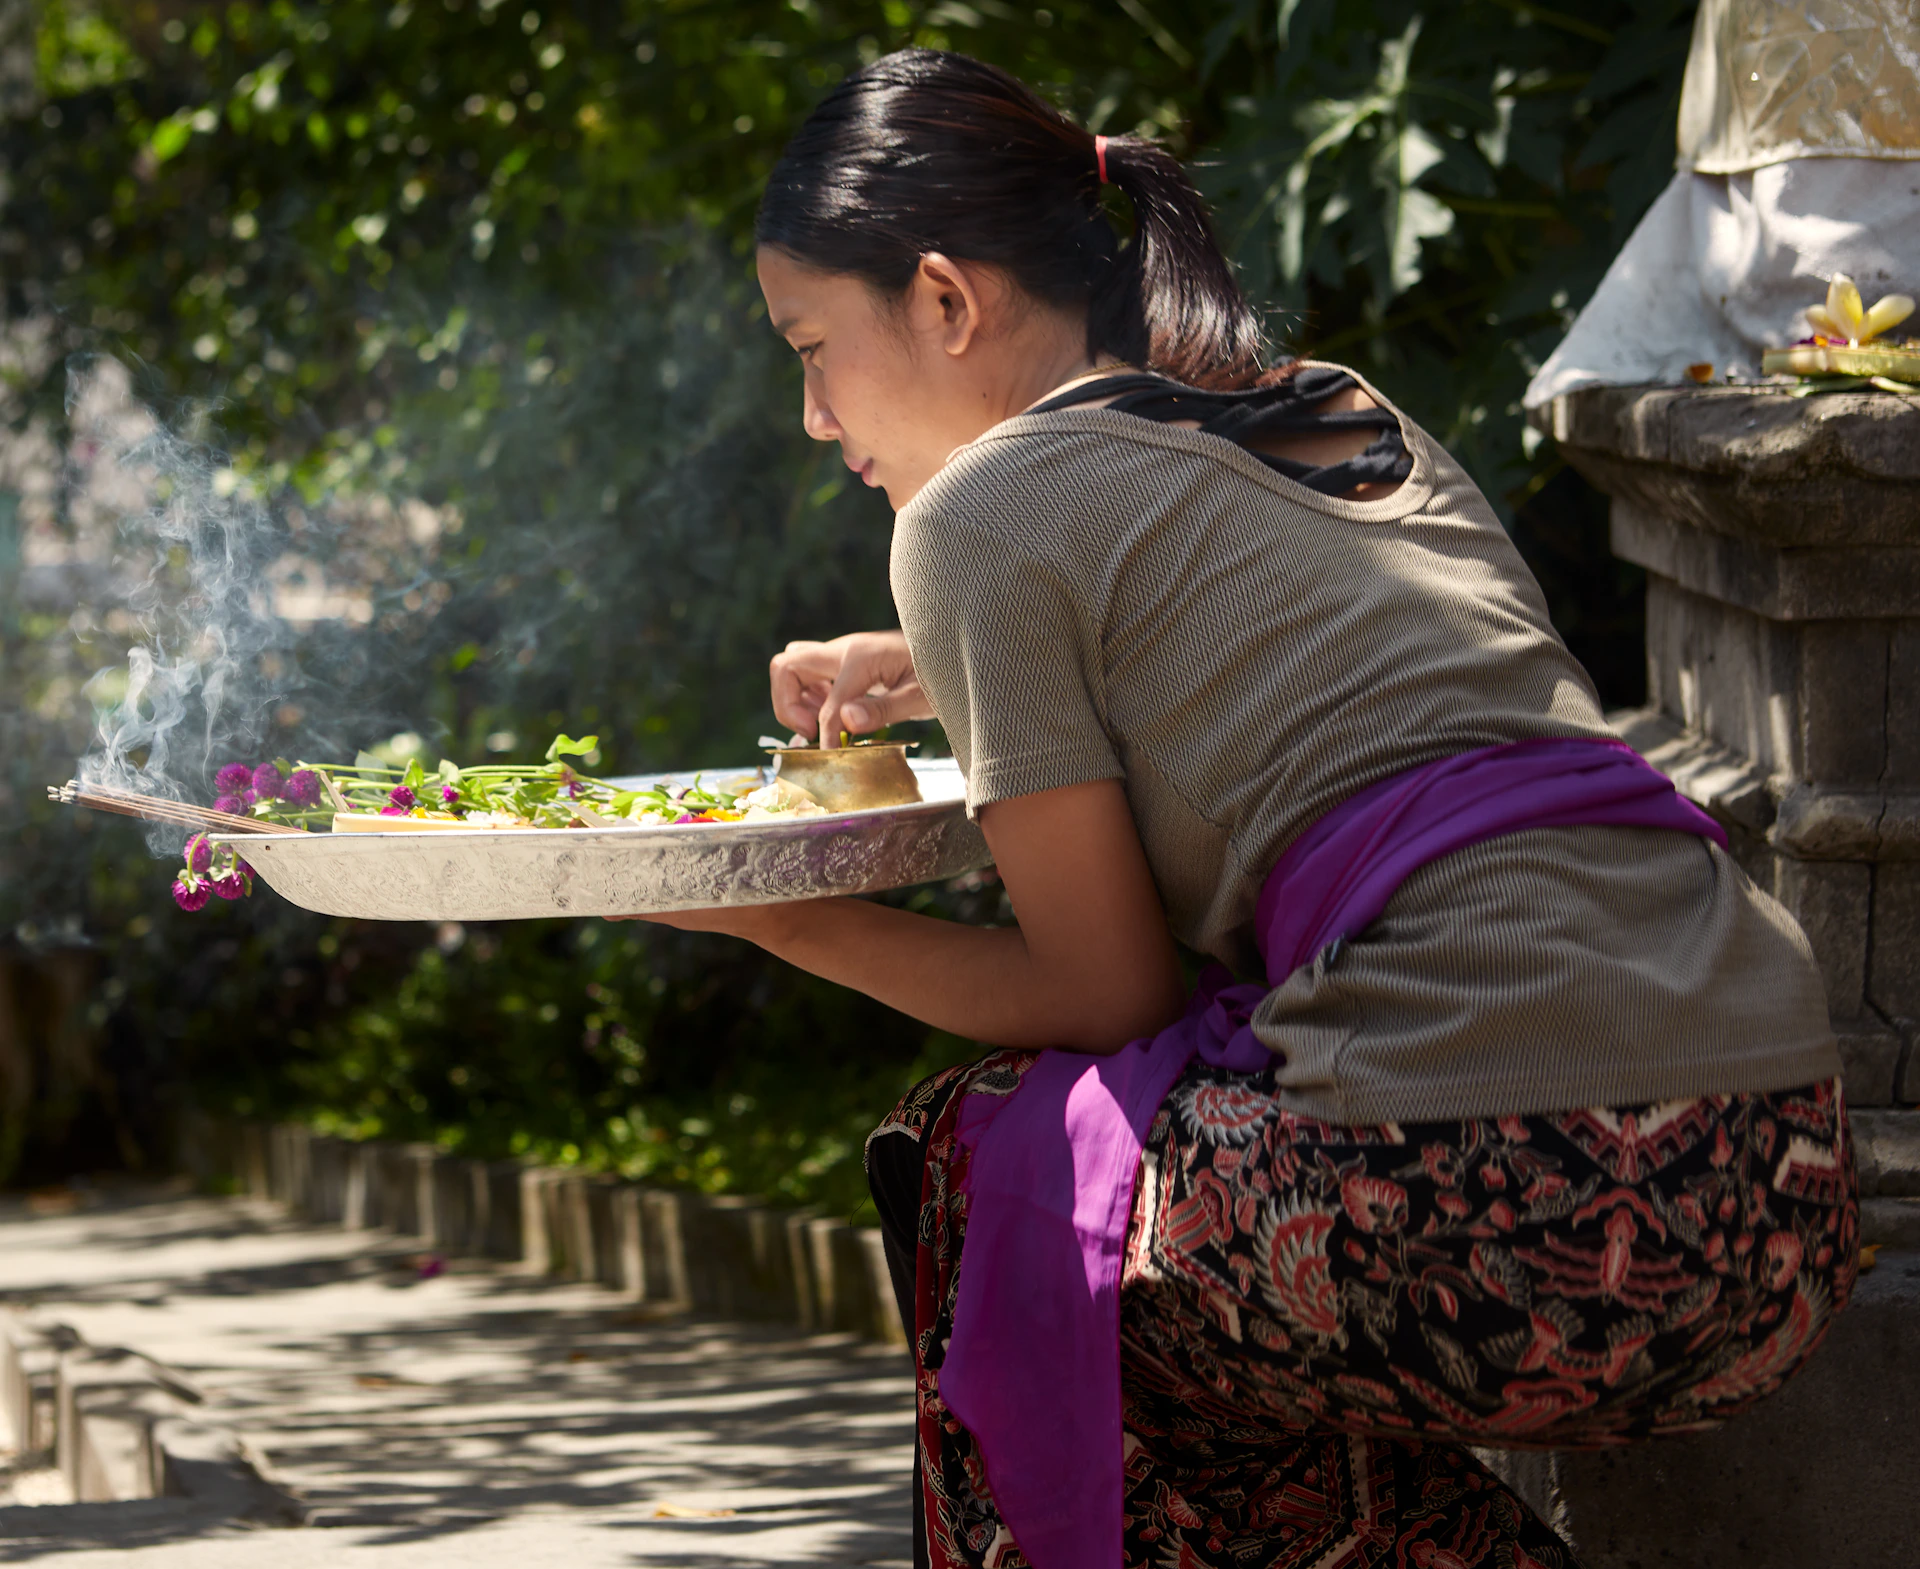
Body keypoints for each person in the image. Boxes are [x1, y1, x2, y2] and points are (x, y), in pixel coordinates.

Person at [638, 48, 1859, 1569]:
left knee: (990, 1157)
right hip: (1782, 1189)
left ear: (946, 301)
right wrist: (934, 673)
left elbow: (1106, 989)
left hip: (1527, 1203)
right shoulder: (1335, 409)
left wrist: (780, 914)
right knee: (1145, 1196)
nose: (815, 415)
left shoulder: (974, 519)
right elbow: (1333, 687)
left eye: (811, 346)